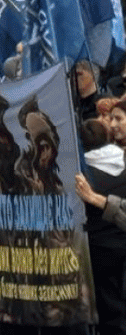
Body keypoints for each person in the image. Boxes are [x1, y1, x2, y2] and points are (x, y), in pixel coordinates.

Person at [81, 118, 126, 333]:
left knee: (109, 312)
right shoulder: (123, 160)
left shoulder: (84, 178)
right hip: (120, 245)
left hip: (99, 253)